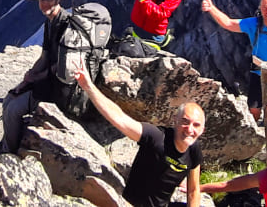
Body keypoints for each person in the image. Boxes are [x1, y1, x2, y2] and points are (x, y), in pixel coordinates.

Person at [74, 65, 204, 207]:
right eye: (185, 122)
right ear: (175, 121)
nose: (190, 129)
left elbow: (193, 190)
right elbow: (120, 118)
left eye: (196, 125)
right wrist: (88, 86)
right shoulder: (156, 137)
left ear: (202, 129)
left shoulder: (193, 150)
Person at [0, 0, 72, 153]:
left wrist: (36, 78)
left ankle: (8, 154)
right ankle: (10, 142)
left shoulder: (67, 25)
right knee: (8, 99)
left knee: (13, 110)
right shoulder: (50, 23)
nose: (44, 3)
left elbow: (64, 65)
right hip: (48, 81)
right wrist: (28, 78)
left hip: (59, 88)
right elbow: (45, 56)